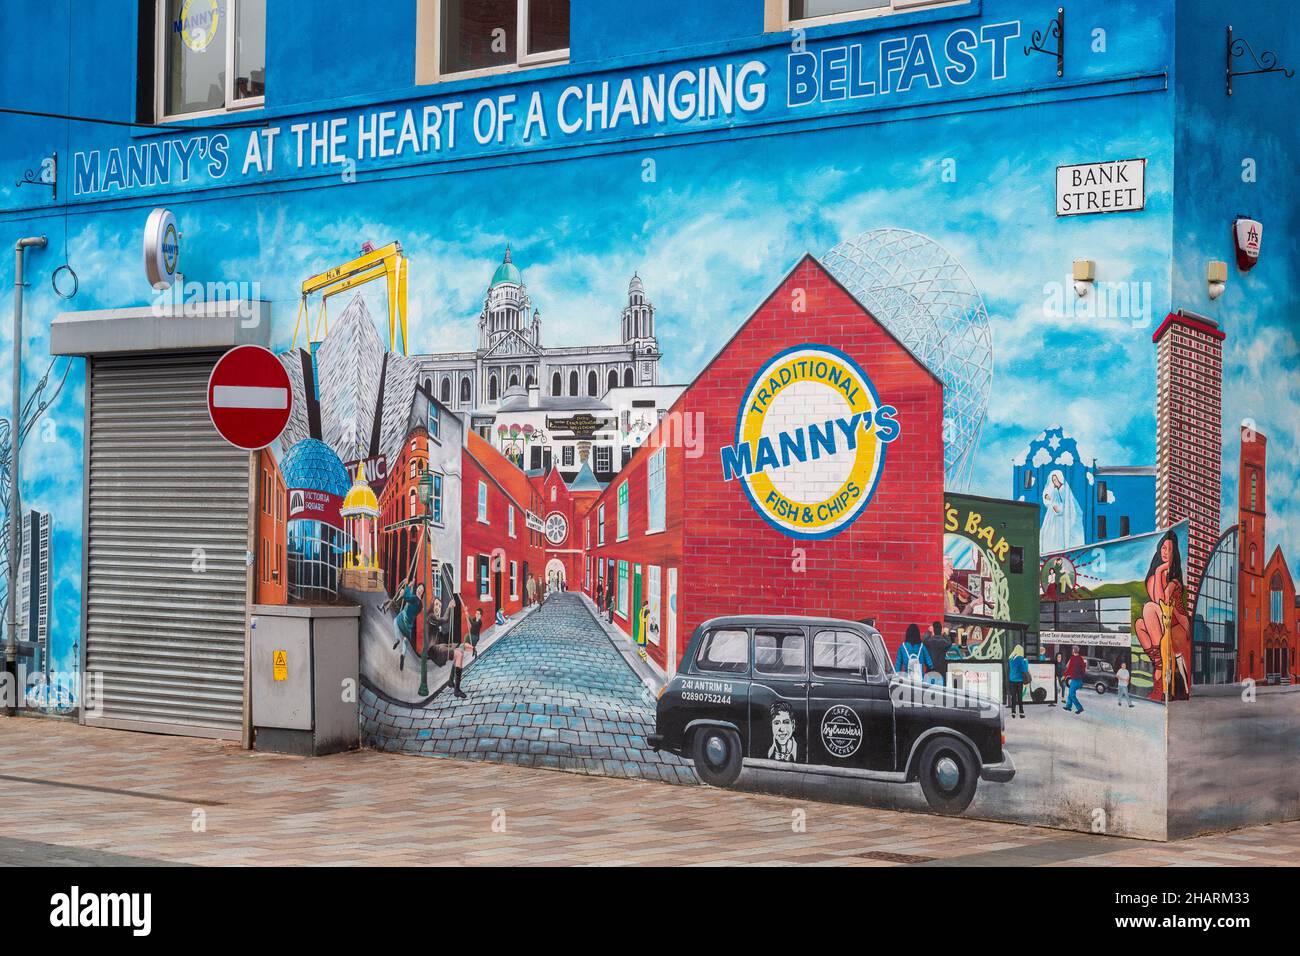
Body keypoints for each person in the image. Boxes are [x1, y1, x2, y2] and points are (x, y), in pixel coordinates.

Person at [1133, 529, 1192, 702]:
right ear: (1159, 550)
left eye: (1170, 550)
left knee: (1150, 608)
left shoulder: (1174, 581)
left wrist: (1160, 573)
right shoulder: (1154, 576)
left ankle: (1161, 674)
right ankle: (1159, 663)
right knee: (1139, 624)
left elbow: (1161, 602)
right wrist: (1158, 572)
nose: (1166, 553)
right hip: (1162, 622)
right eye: (1164, 548)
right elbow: (1158, 600)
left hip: (1174, 623)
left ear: (1175, 554)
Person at [391, 581, 425, 673]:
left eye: (421, 589)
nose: (419, 590)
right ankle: (403, 654)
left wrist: (409, 586)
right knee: (405, 639)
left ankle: (397, 639)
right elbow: (413, 608)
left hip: (404, 617)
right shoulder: (421, 605)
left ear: (422, 593)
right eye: (419, 588)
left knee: (395, 621)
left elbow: (407, 597)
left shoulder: (415, 599)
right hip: (410, 622)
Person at [1062, 645, 1087, 714]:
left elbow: (1069, 669)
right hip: (1077, 679)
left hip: (1076, 680)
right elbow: (1083, 669)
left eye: (1072, 649)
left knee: (1072, 694)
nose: (1072, 651)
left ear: (1073, 650)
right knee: (1071, 693)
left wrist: (1064, 675)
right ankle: (1068, 707)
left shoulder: (1073, 658)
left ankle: (1080, 708)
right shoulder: (1080, 658)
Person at [1007, 644, 1029, 718]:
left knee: (1013, 697)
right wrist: (1026, 662)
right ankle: (1021, 713)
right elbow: (1024, 669)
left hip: (1012, 680)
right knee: (1019, 697)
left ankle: (1013, 713)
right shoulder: (1020, 658)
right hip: (1019, 680)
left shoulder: (1011, 658)